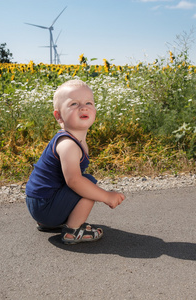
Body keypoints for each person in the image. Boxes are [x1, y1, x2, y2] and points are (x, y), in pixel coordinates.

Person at [25, 79, 125, 244]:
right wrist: (106, 196)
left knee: (86, 183)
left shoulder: (75, 140)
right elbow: (74, 182)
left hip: (42, 204)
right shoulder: (68, 145)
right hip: (44, 206)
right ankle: (73, 230)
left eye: (88, 103)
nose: (83, 107)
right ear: (58, 116)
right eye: (74, 104)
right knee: (87, 183)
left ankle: (50, 223)